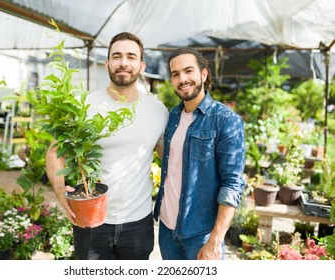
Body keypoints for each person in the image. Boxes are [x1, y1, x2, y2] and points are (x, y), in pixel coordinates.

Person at [45, 32, 169, 260]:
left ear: (141, 66)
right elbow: (54, 152)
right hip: (90, 219)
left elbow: (169, 161)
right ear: (107, 64)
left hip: (138, 222)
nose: (124, 62)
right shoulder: (84, 106)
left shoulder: (157, 110)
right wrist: (60, 191)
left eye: (131, 57)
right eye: (117, 56)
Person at [153, 47, 245, 260]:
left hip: (201, 235)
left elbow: (232, 185)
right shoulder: (173, 116)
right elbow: (173, 160)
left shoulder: (226, 121)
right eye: (175, 74)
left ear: (203, 74)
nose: (182, 79)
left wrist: (215, 240)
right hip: (167, 230)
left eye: (188, 71)